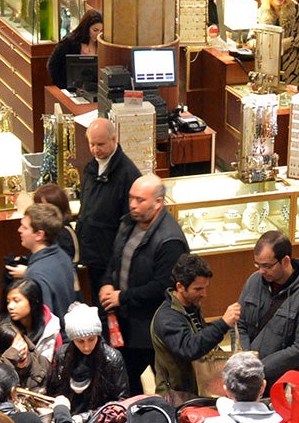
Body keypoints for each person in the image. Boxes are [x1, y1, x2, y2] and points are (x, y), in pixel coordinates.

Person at [97, 175, 188, 392]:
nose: (133, 205)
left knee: (166, 384)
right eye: (131, 198)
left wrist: (122, 297)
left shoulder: (170, 240)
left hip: (151, 329)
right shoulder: (129, 222)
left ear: (158, 203)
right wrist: (108, 282)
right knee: (125, 380)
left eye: (140, 200)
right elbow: (116, 259)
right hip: (127, 323)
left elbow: (163, 287)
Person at [237, 230, 299, 388]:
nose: (261, 271)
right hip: (249, 377)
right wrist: (245, 359)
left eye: (267, 266)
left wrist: (259, 369)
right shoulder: (254, 280)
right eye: (258, 265)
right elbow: (239, 323)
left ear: (285, 261)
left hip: (283, 384)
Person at [151, 254, 237, 397]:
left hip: (196, 390)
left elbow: (202, 338)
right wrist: (222, 324)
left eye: (205, 288)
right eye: (198, 289)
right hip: (177, 397)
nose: (204, 294)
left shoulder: (191, 306)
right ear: (180, 286)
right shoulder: (167, 318)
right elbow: (189, 348)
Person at [76, 120, 140, 287]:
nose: (96, 150)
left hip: (110, 259)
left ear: (114, 139)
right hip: (92, 254)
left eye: (101, 144)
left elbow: (130, 222)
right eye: (92, 144)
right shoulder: (91, 167)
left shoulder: (128, 175)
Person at [47, 304, 131, 414]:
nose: (86, 347)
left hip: (101, 420)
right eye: (80, 341)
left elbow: (122, 401)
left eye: (91, 339)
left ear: (98, 335)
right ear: (72, 340)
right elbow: (57, 391)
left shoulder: (112, 358)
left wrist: (90, 417)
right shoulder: (63, 355)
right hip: (69, 418)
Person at [12, 201, 79, 320]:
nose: (19, 230)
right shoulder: (62, 256)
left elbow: (44, 320)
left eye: (25, 227)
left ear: (39, 235)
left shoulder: (36, 274)